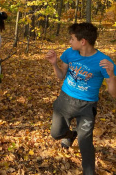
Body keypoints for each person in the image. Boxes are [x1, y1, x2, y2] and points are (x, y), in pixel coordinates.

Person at [45, 22, 116, 174]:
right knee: (56, 134)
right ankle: (71, 134)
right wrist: (54, 64)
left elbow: (113, 93)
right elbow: (61, 76)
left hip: (87, 107)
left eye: (72, 39)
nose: (70, 42)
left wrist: (111, 75)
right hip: (64, 101)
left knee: (85, 143)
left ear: (82, 41)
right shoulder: (69, 53)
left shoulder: (104, 62)